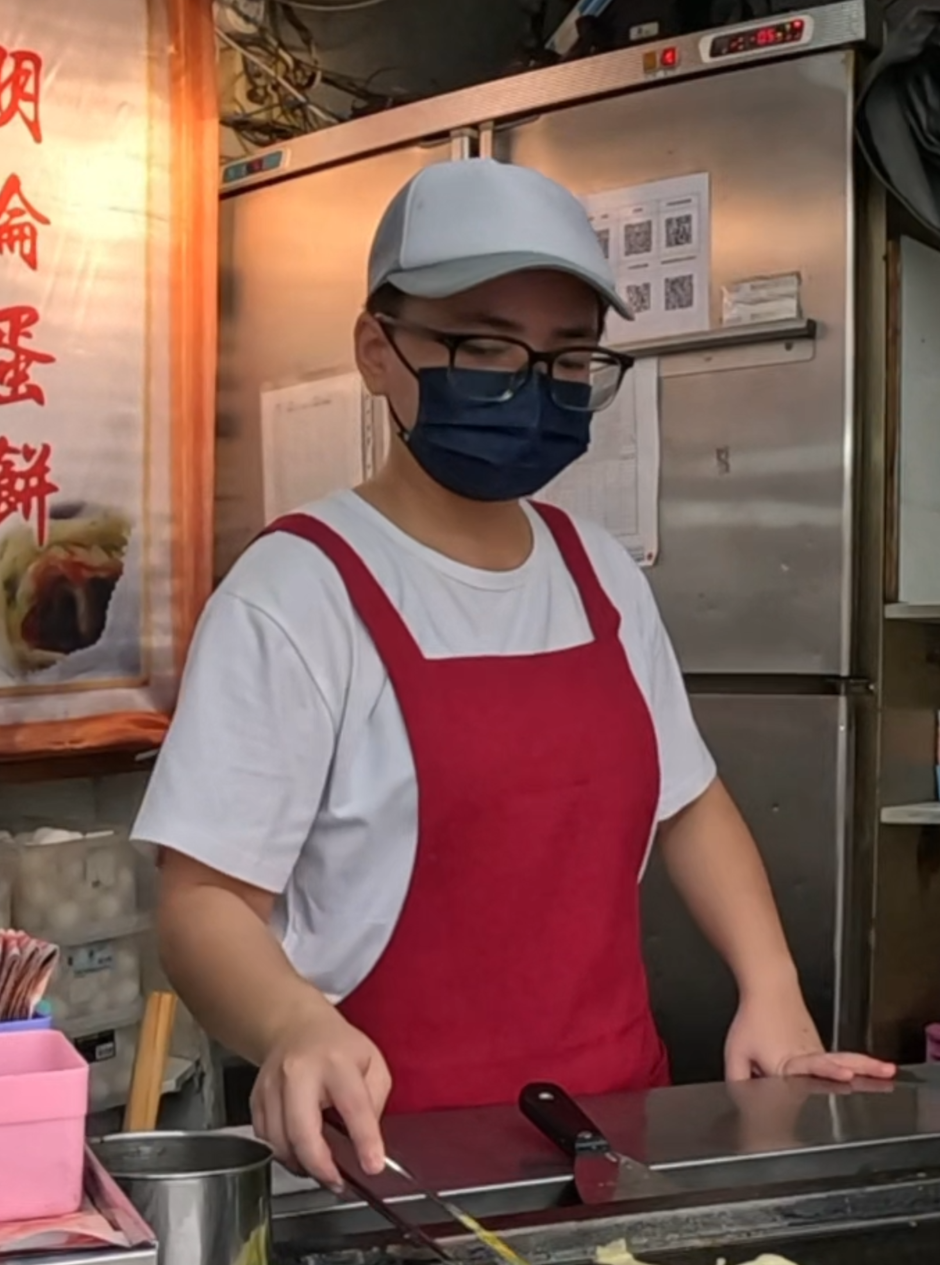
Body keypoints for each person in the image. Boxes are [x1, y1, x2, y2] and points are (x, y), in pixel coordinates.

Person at [136, 158, 892, 1186]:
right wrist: (291, 1023)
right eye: (485, 346)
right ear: (377, 349)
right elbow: (202, 901)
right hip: (386, 1160)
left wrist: (772, 985)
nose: (529, 385)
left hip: (616, 1137)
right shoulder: (296, 592)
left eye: (568, 357)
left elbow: (689, 800)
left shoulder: (598, 573)